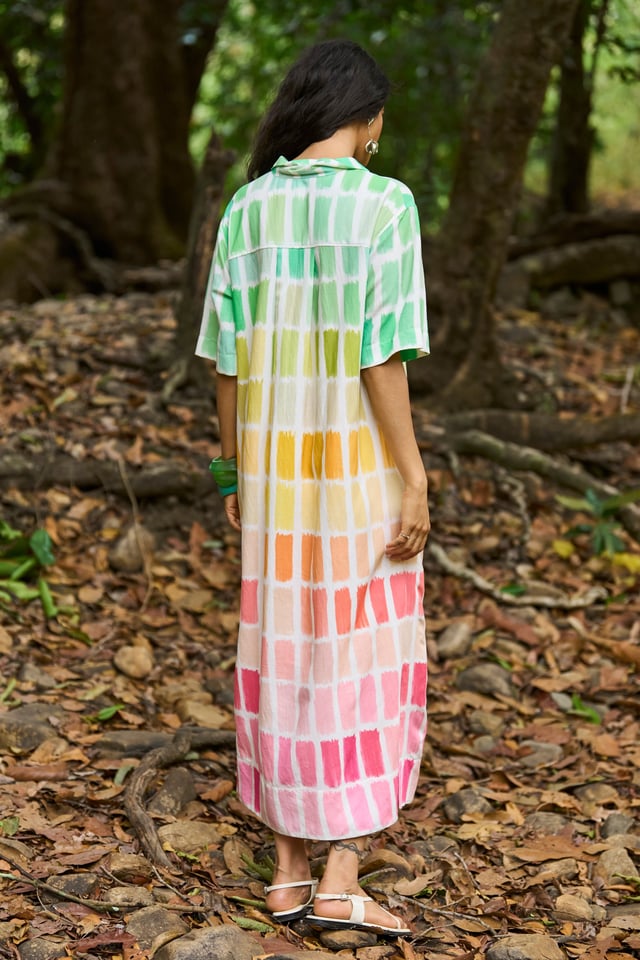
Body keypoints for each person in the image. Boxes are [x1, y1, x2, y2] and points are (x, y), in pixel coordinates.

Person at [196, 38, 430, 937]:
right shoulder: (384, 204)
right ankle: (340, 875)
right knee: (362, 656)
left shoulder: (247, 208)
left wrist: (231, 471)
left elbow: (226, 363)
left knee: (283, 649)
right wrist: (414, 476)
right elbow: (381, 356)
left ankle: (288, 871)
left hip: (274, 480)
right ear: (368, 119)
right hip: (357, 474)